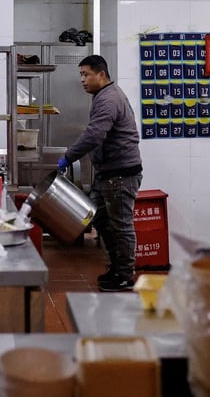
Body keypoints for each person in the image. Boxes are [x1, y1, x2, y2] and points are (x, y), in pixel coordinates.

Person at [57, 54, 143, 292]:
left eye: (86, 74)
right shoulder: (103, 96)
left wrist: (69, 156)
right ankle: (117, 267)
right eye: (81, 75)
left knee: (121, 225)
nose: (82, 80)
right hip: (108, 173)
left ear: (101, 75)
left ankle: (125, 275)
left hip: (121, 174)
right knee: (101, 219)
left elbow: (95, 134)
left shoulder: (108, 99)